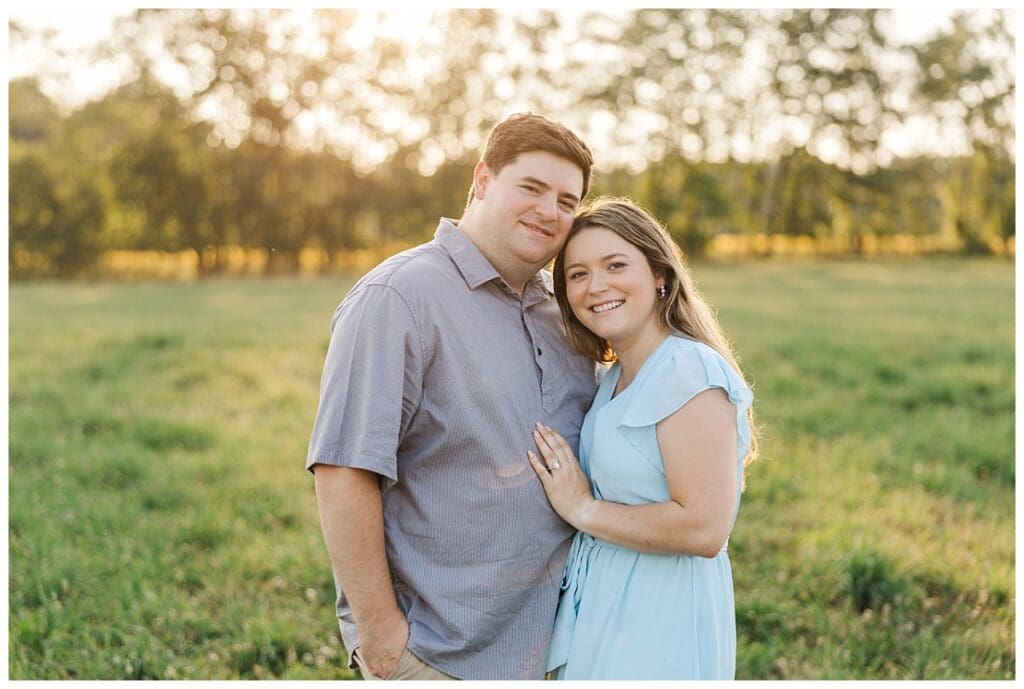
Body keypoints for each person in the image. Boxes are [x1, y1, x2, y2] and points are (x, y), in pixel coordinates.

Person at [306, 113, 598, 680]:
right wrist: (383, 638)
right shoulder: (398, 299)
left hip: (557, 650)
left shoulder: (565, 313)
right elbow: (343, 471)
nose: (549, 211)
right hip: (439, 653)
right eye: (532, 188)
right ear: (483, 180)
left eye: (567, 201)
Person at [525, 197, 759, 680]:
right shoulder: (615, 376)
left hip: (661, 613)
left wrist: (584, 509)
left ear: (660, 275)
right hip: (608, 605)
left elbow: (704, 529)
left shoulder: (686, 369)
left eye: (616, 265)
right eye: (578, 274)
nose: (598, 286)